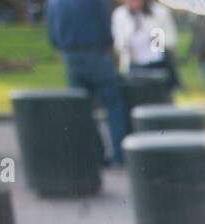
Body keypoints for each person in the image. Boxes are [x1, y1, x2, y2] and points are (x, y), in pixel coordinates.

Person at [46, 0, 127, 165]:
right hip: (97, 53)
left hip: (70, 57)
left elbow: (52, 35)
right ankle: (119, 156)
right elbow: (106, 26)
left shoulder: (54, 2)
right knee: (113, 106)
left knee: (82, 110)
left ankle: (96, 156)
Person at [111, 0, 180, 89]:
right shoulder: (119, 15)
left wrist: (156, 39)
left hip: (158, 64)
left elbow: (171, 40)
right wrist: (126, 45)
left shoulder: (159, 12)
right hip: (134, 66)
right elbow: (118, 44)